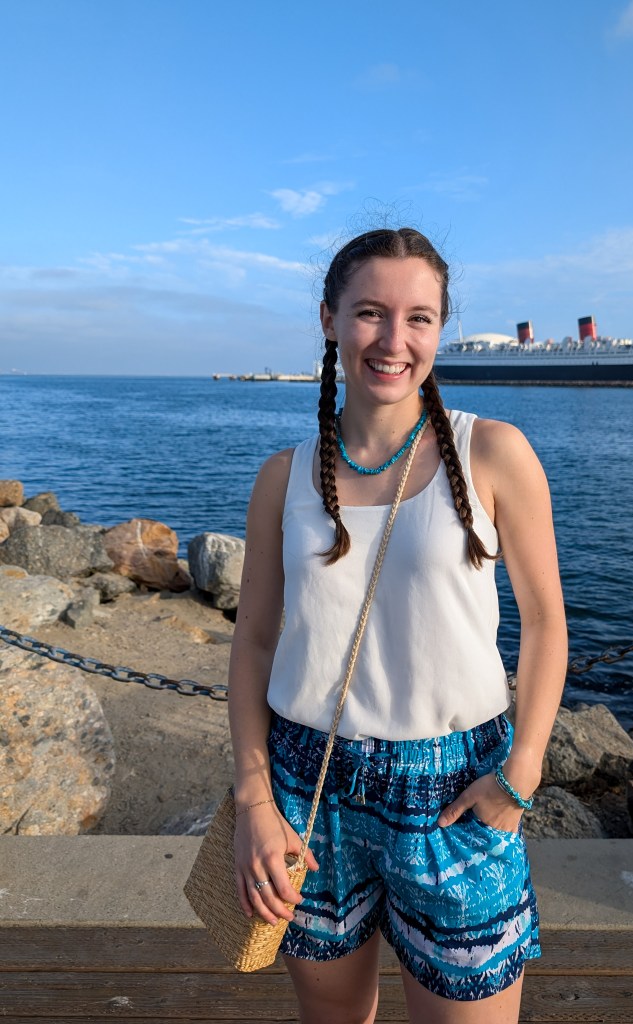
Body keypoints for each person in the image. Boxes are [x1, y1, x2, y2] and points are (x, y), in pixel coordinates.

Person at [227, 227, 567, 1024]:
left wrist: (523, 772)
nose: (393, 339)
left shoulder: (493, 452)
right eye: (370, 312)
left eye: (419, 317)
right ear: (329, 320)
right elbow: (254, 641)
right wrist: (253, 801)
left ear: (440, 329)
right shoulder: (284, 476)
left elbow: (546, 624)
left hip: (455, 791)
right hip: (309, 792)